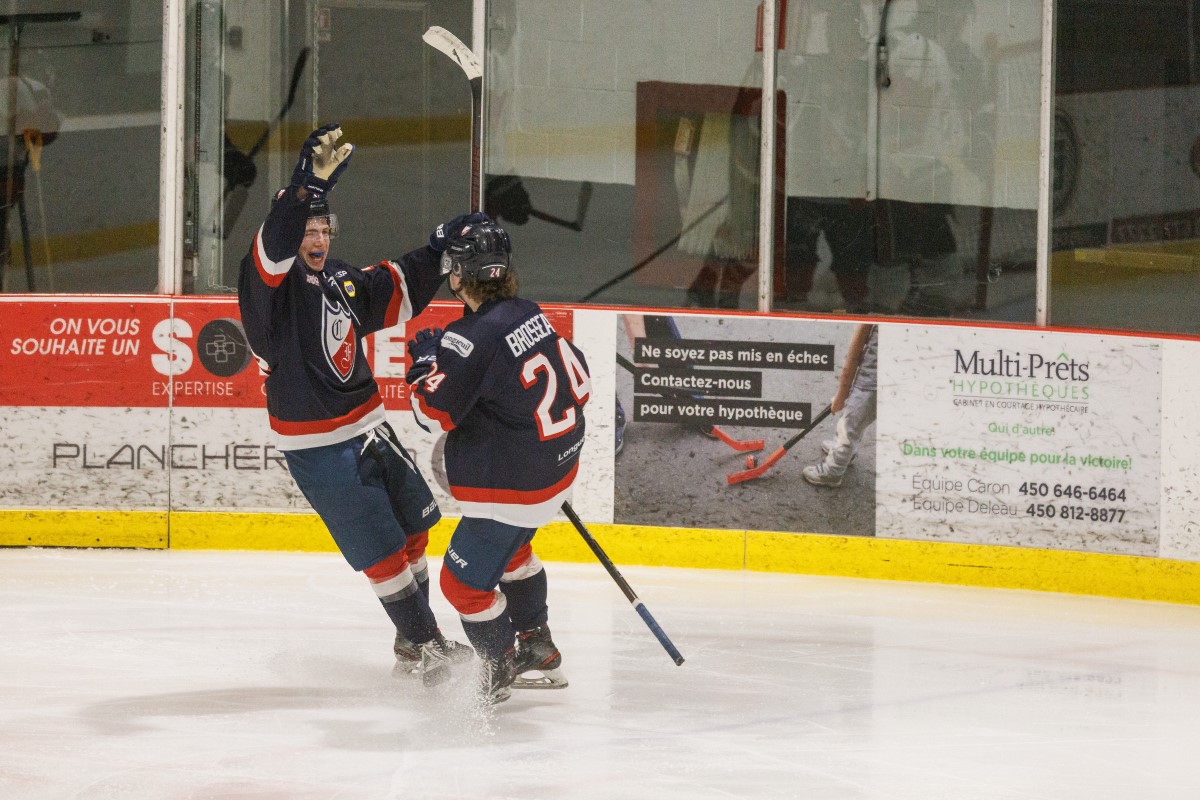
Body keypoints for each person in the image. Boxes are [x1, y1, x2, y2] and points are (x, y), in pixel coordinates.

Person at [237, 122, 483, 687]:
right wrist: (301, 189)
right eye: (306, 229)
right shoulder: (268, 295)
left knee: (417, 525)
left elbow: (393, 288)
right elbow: (271, 248)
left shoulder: (340, 281)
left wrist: (442, 250)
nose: (317, 237)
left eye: (324, 227)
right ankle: (426, 642)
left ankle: (411, 634)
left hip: (372, 428)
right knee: (380, 548)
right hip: (320, 448)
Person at [405, 217, 591, 704]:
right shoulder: (530, 312)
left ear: (459, 276)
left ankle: (500, 661)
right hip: (559, 468)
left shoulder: (469, 338)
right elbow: (581, 381)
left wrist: (425, 366)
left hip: (514, 486)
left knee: (461, 586)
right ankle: (538, 646)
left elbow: (433, 414)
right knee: (513, 554)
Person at [802, 323, 878, 487]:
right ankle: (844, 452)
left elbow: (858, 342)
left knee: (849, 426)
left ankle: (833, 471)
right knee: (858, 420)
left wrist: (842, 393)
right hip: (877, 377)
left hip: (872, 382)